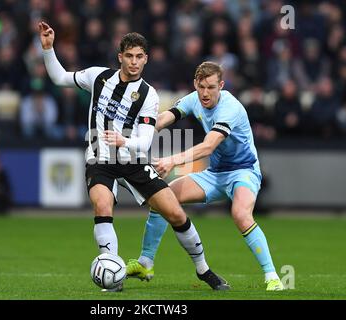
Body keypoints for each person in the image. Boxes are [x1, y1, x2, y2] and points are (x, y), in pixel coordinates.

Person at [38, 22, 229, 292]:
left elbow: (145, 140)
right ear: (120, 57)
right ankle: (113, 275)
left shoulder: (149, 95)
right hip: (100, 158)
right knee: (103, 207)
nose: (134, 62)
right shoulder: (98, 77)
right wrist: (48, 49)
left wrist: (123, 140)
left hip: (132, 160)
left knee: (175, 212)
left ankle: (203, 270)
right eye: (129, 56)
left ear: (146, 59)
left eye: (139, 56)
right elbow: (59, 78)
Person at [126, 62, 285, 291]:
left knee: (240, 215)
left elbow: (208, 147)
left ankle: (272, 276)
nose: (205, 93)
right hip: (215, 174)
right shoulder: (194, 99)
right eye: (201, 86)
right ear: (195, 84)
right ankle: (145, 263)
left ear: (221, 85)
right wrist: (137, 132)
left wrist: (172, 160)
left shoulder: (230, 108)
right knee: (163, 197)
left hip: (244, 172)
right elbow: (163, 120)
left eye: (211, 87)